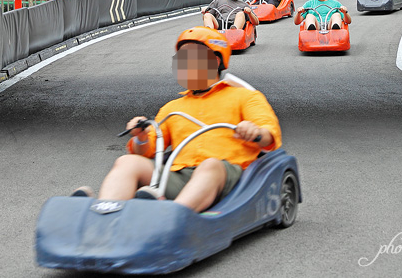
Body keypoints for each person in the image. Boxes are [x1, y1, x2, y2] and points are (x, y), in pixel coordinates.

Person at [72, 27, 282, 212]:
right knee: (126, 162)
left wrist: (254, 131)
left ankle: (172, 216)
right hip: (180, 174)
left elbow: (269, 134)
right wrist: (141, 136)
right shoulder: (173, 107)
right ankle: (106, 211)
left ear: (215, 60)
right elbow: (147, 150)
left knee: (210, 165)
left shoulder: (245, 97)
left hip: (228, 174)